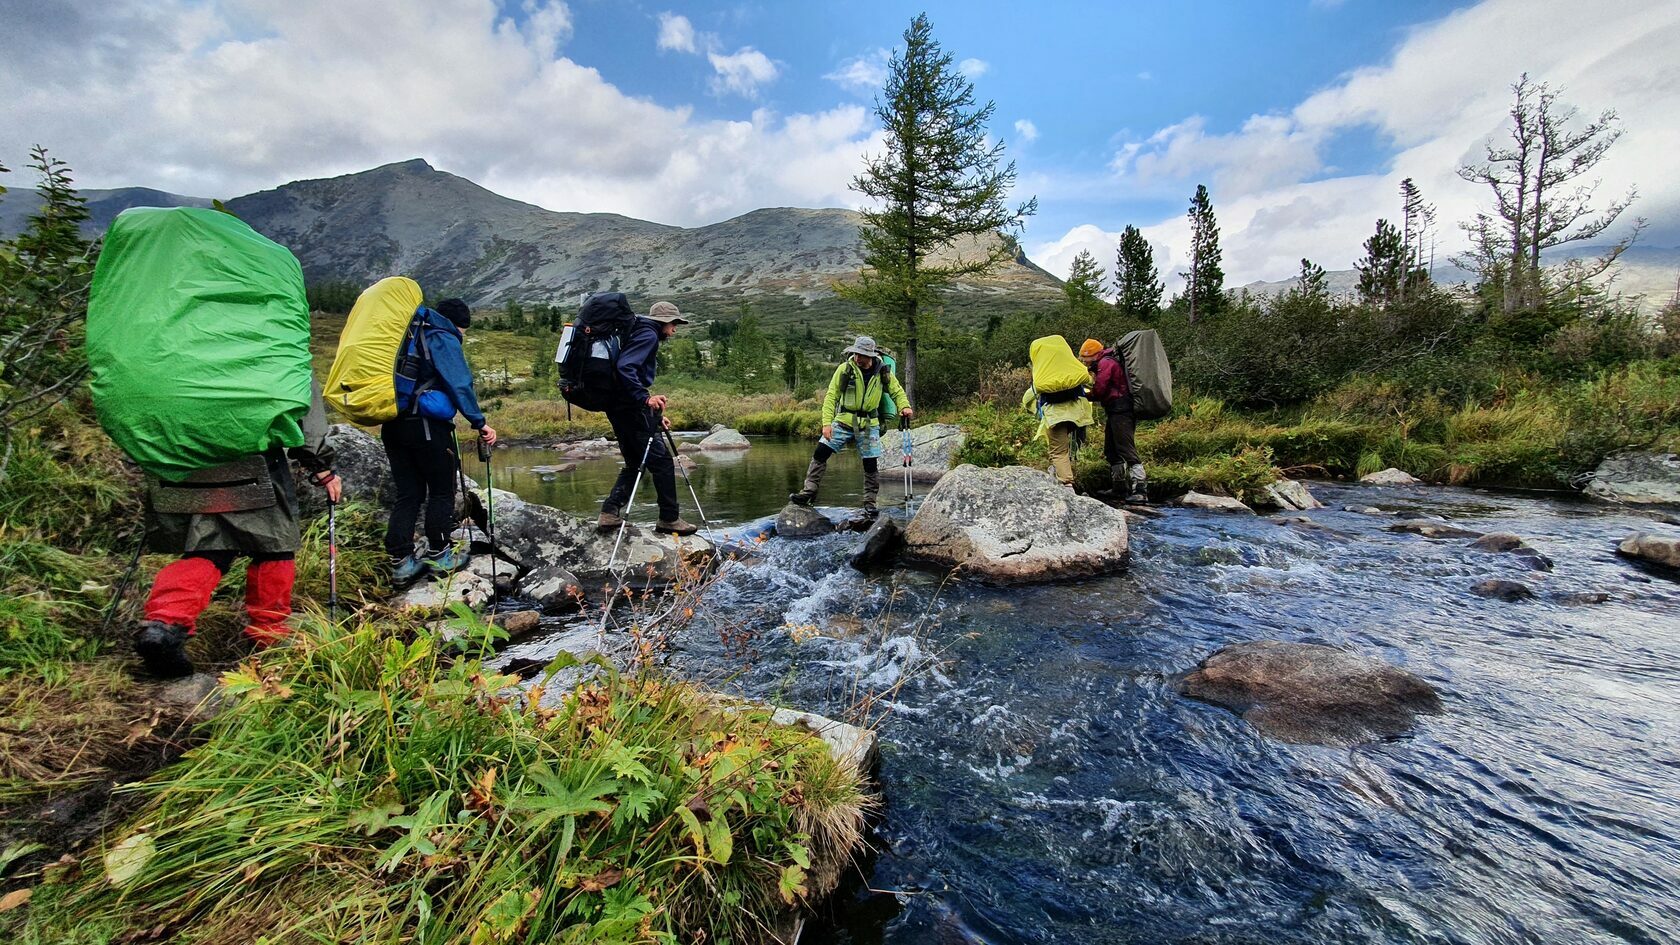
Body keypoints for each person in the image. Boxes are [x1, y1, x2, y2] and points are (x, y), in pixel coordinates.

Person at [134, 381, 342, 678]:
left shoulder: (179, 336)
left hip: (179, 453)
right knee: (275, 546)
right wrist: (321, 465)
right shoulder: (273, 338)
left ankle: (163, 624)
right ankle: (269, 640)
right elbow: (301, 404)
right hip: (252, 459)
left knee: (209, 547)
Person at [382, 297, 499, 584]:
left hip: (393, 424)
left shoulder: (405, 334)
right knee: (441, 490)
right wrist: (479, 422)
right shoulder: (442, 336)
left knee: (408, 493)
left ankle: (401, 563)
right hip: (427, 426)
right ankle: (440, 555)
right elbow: (459, 384)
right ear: (459, 325)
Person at [596, 301, 699, 536]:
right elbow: (626, 367)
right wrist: (645, 399)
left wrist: (651, 414)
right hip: (631, 407)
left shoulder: (635, 330)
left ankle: (609, 513)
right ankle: (669, 519)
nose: (674, 329)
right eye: (674, 324)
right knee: (662, 462)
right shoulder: (648, 335)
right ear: (663, 322)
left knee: (634, 462)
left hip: (619, 406)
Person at [789, 335, 914, 518]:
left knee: (870, 464)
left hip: (869, 423)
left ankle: (870, 503)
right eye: (856, 353)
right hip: (844, 419)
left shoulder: (882, 371)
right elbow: (831, 396)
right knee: (821, 452)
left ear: (870, 355)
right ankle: (809, 493)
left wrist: (904, 406)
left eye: (861, 355)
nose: (857, 358)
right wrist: (826, 424)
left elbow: (896, 390)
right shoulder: (845, 369)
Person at [1021, 336, 1094, 489]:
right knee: (1074, 443)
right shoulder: (1073, 372)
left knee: (1058, 452)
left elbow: (1028, 398)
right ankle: (1073, 467)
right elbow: (1091, 383)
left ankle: (1067, 485)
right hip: (1078, 414)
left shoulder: (1043, 378)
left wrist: (1032, 409)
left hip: (1056, 417)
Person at [1081, 337, 1147, 503]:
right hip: (1115, 410)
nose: (1084, 362)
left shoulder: (1106, 364)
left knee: (1126, 449)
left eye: (1085, 358)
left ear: (1093, 355)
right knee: (1111, 450)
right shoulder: (1105, 362)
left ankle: (1140, 489)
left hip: (1121, 410)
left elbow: (1101, 389)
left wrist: (1084, 395)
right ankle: (1119, 488)